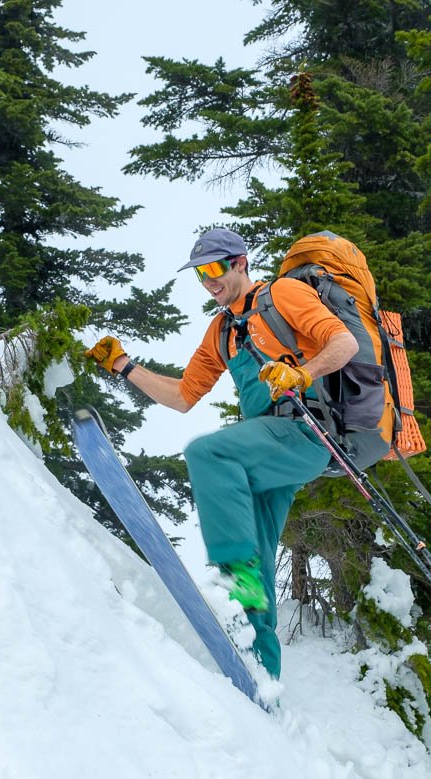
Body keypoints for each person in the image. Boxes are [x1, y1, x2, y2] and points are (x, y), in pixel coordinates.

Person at [85, 227, 358, 680]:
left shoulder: (283, 294)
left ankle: (235, 575)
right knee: (261, 552)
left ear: (241, 262)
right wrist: (123, 365)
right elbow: (183, 395)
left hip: (306, 432)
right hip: (265, 448)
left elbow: (343, 342)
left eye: (214, 269)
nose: (208, 281)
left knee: (209, 454)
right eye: (200, 274)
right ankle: (261, 668)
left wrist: (303, 375)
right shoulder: (222, 330)